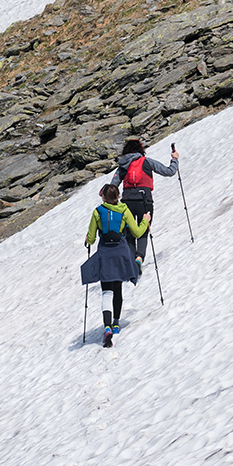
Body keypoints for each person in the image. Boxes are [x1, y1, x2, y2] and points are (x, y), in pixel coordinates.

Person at [80, 183, 148, 347]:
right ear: (118, 197)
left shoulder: (97, 212)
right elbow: (137, 232)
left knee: (106, 292)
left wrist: (87, 240)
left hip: (105, 253)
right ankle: (116, 324)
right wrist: (145, 221)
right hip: (121, 253)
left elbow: (91, 238)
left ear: (103, 197)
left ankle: (107, 327)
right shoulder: (124, 210)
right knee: (118, 288)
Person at [112, 136, 179, 266]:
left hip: (127, 203)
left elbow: (113, 185)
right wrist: (174, 159)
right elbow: (169, 172)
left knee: (129, 233)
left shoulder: (123, 165)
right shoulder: (147, 161)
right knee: (143, 230)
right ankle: (139, 258)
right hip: (145, 201)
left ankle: (132, 262)